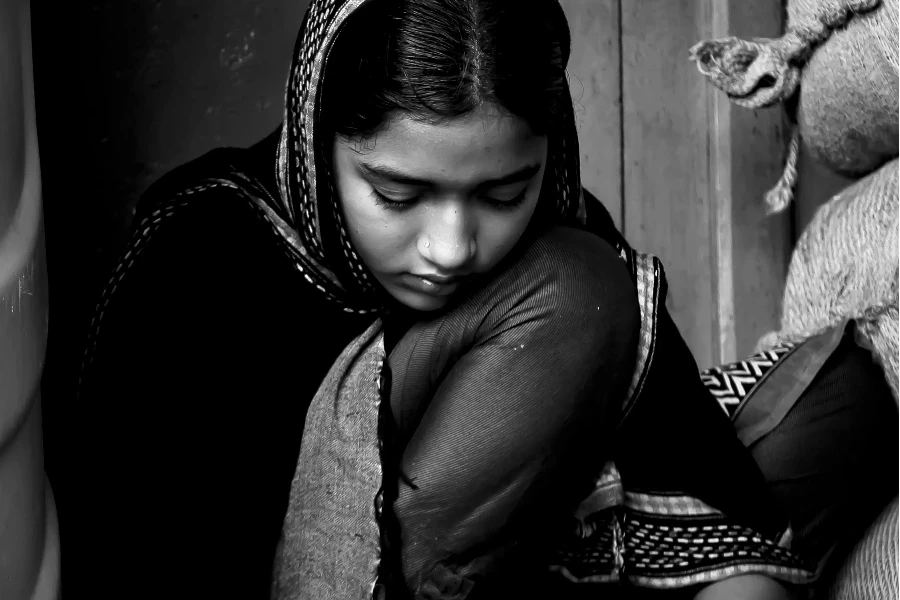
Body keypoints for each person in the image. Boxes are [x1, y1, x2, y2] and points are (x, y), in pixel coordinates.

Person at [68, 0, 896, 599]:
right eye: (397, 195)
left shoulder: (561, 228)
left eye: (504, 192)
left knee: (852, 405)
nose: (453, 247)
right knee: (574, 293)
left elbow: (708, 481)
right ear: (319, 137)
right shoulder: (203, 260)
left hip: (532, 557)